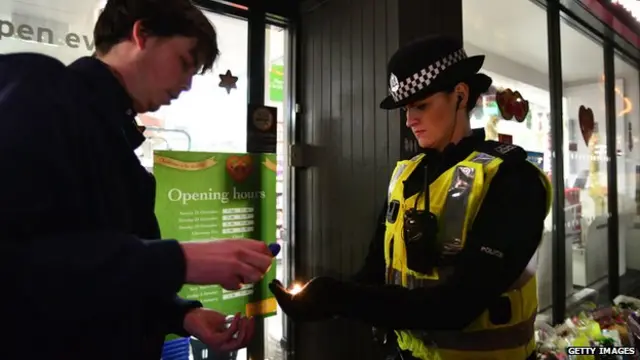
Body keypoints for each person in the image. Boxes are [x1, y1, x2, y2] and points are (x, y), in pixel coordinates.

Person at [0, 0, 275, 358]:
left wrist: (183, 314)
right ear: (141, 33)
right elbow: (18, 264)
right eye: (185, 62)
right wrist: (182, 261)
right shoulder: (41, 89)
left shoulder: (114, 139)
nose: (188, 85)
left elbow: (92, 281)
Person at [269, 35, 552, 360]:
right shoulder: (406, 176)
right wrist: (316, 301)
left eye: (421, 105)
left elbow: (460, 304)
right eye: (405, 108)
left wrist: (337, 298)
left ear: (460, 95)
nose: (408, 120)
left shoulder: (512, 179)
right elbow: (377, 272)